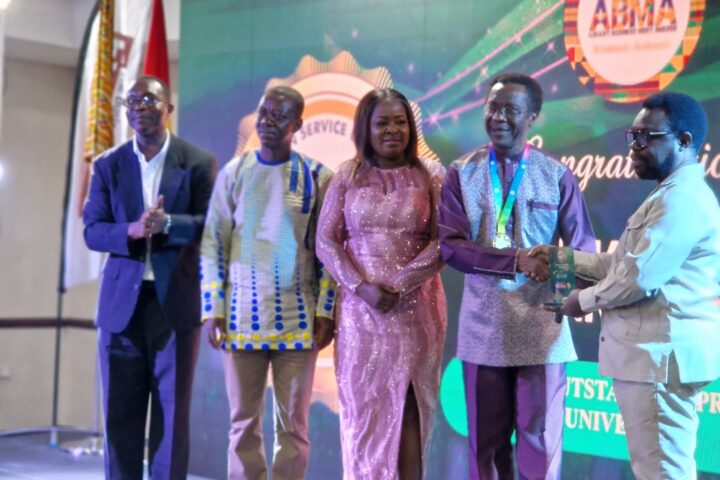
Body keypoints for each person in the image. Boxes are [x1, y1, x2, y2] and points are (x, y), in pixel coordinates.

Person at [540, 92, 720, 480]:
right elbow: (629, 264)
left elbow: (638, 278)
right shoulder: (671, 193)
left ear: (684, 141)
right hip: (654, 359)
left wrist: (580, 301)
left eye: (646, 137)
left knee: (662, 471)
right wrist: (564, 260)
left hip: (659, 361)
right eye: (632, 136)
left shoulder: (682, 200)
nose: (634, 147)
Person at [438, 72, 596, 480]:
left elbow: (582, 251)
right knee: (486, 449)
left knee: (540, 443)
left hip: (542, 333)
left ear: (532, 116)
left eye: (511, 109)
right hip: (483, 330)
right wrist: (516, 261)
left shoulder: (556, 174)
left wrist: (561, 297)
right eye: (493, 108)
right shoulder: (461, 173)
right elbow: (451, 246)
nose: (499, 118)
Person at [83, 75, 217, 479]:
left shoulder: (197, 162)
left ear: (168, 108)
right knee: (119, 417)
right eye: (132, 101)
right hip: (120, 309)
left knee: (171, 419)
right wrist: (132, 230)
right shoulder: (108, 164)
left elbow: (211, 226)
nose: (139, 108)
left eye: (149, 100)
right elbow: (92, 230)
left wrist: (168, 223)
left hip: (173, 306)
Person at [200, 86, 336, 480]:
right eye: (263, 113)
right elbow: (213, 244)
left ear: (298, 124)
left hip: (299, 319)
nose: (267, 122)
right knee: (243, 423)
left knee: (293, 426)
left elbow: (330, 250)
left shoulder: (318, 177)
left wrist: (326, 310)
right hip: (241, 317)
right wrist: (213, 308)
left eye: (278, 116)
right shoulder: (234, 173)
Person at [316, 88, 447, 480]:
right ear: (366, 129)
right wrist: (361, 287)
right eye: (382, 123)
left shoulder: (432, 175)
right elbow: (326, 241)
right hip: (360, 316)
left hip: (416, 311)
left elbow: (446, 241)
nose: (393, 130)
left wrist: (399, 283)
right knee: (364, 414)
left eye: (400, 122)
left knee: (410, 410)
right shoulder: (347, 175)